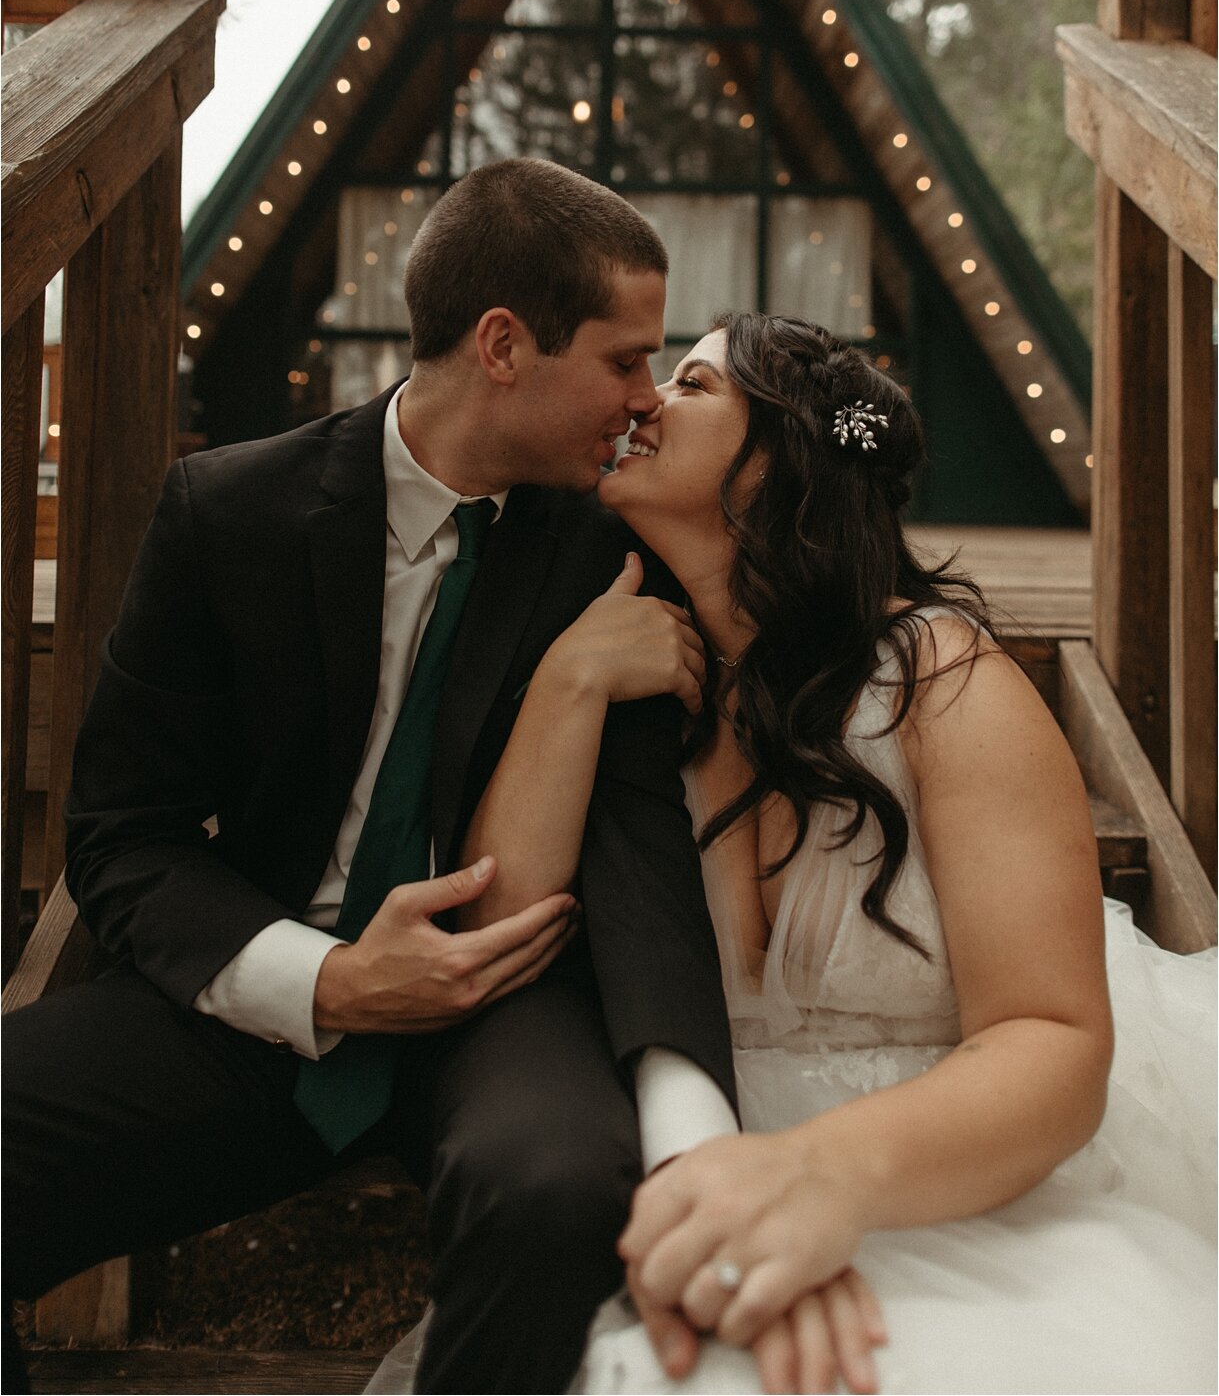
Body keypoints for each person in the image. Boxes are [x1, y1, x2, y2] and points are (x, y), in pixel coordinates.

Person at [375, 313, 1215, 1395]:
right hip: (694, 1154)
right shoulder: (640, 684)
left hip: (949, 1172)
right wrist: (571, 679)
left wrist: (818, 1176)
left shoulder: (939, 681)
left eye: (688, 383)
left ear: (779, 458)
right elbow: (497, 930)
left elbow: (1050, 1041)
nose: (643, 404)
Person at [4, 162, 741, 1396]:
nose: (643, 401)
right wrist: (333, 978)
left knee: (556, 1189)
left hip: (510, 1001)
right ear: (502, 343)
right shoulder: (229, 511)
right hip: (271, 975)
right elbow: (123, 836)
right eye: (623, 360)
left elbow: (641, 855)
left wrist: (689, 1120)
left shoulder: (617, 546)